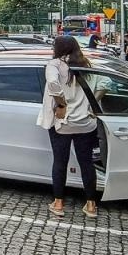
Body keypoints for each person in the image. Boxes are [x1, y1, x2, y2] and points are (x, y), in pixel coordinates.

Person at [39, 35, 99, 218]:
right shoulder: (86, 65)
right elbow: (105, 84)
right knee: (86, 163)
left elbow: (53, 84)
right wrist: (92, 105)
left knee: (60, 162)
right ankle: (91, 206)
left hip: (62, 122)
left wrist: (62, 105)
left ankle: (58, 204)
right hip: (85, 122)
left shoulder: (55, 65)